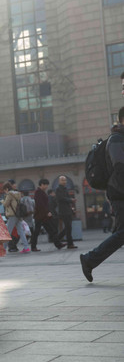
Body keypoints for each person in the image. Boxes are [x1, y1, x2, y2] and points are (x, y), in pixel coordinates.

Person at [80, 106, 124, 282]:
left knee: (121, 233)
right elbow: (120, 167)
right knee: (122, 234)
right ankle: (89, 259)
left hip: (119, 192)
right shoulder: (117, 139)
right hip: (120, 193)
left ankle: (90, 259)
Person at [31, 179, 66, 252]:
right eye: (46, 185)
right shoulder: (38, 192)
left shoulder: (42, 192)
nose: (47, 186)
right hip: (40, 216)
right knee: (37, 232)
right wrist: (47, 212)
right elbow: (40, 204)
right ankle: (33, 246)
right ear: (42, 184)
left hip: (44, 216)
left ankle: (58, 244)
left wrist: (47, 212)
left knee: (51, 230)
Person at [2, 181, 30, 253]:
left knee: (8, 232)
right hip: (18, 214)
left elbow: (6, 204)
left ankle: (3, 249)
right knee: (21, 231)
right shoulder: (17, 194)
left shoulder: (9, 194)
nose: (4, 191)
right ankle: (26, 247)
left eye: (4, 190)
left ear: (7, 189)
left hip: (12, 215)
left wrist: (2, 201)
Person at [55, 176, 78, 249]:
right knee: (68, 227)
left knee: (68, 227)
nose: (64, 182)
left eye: (65, 180)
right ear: (59, 181)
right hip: (63, 211)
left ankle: (57, 239)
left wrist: (71, 205)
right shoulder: (58, 189)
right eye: (62, 180)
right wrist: (70, 200)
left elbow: (67, 199)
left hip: (68, 211)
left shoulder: (65, 189)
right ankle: (70, 244)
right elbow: (61, 198)